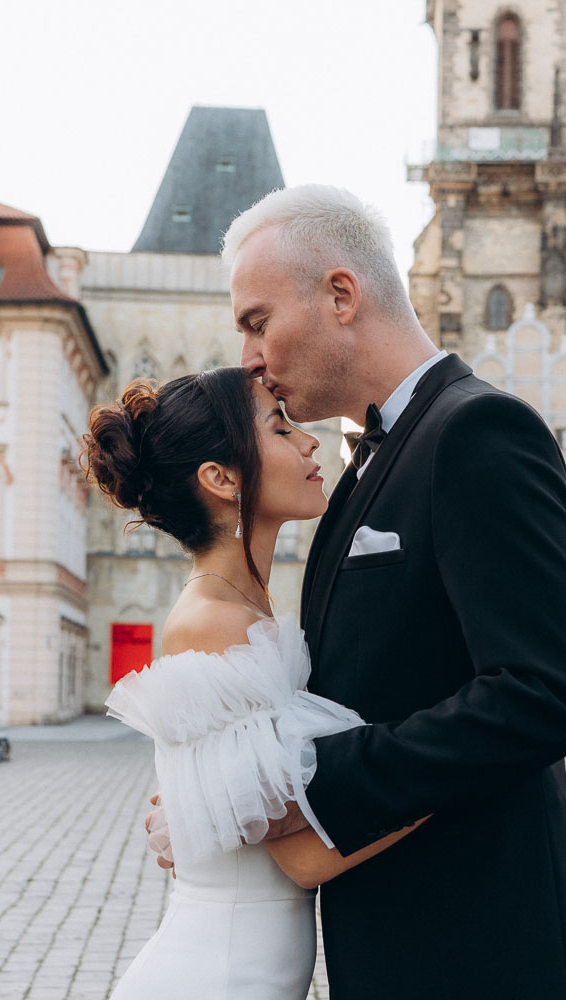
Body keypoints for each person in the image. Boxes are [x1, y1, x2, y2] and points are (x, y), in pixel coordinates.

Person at [227, 184, 566, 1000]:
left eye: (257, 322)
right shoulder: (367, 462)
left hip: (491, 955)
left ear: (341, 295)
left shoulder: (478, 430)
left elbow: (554, 691)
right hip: (399, 950)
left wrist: (312, 783)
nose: (249, 358)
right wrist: (218, 798)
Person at [84, 367, 425, 999]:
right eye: (280, 426)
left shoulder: (246, 613)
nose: (310, 442)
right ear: (222, 478)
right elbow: (302, 858)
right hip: (217, 974)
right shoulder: (213, 623)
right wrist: (467, 761)